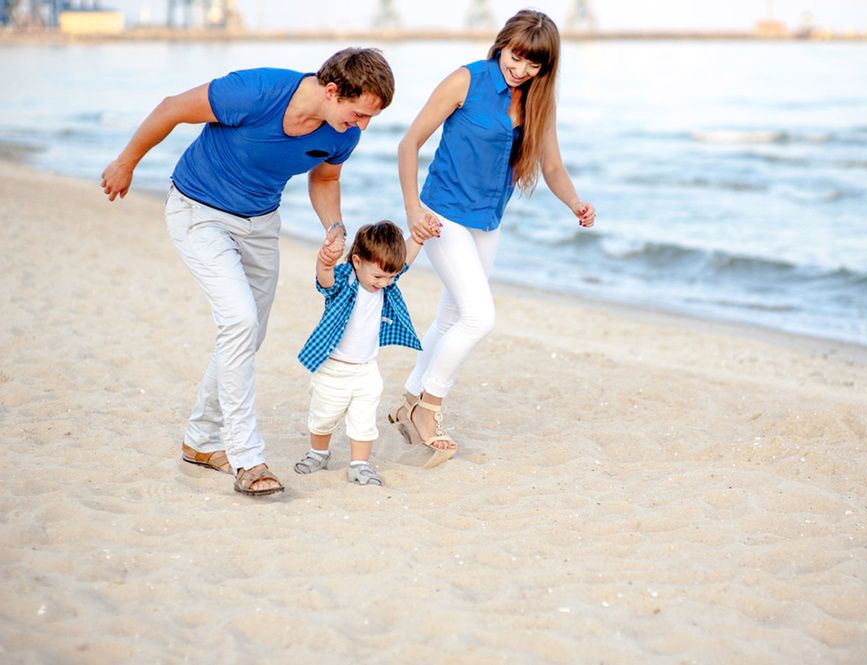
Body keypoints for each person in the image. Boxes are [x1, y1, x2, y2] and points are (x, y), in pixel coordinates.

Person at [100, 48, 395, 496]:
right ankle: (247, 459)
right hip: (199, 211)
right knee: (239, 321)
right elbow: (172, 108)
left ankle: (201, 441)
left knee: (248, 334)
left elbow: (325, 179)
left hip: (261, 223)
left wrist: (334, 226)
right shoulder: (254, 92)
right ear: (332, 91)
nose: (363, 126)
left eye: (370, 118)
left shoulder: (343, 133)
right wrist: (127, 162)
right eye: (359, 114)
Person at [391, 10, 596, 464]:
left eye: (533, 64)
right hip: (442, 213)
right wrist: (412, 211)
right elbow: (409, 144)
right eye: (515, 57)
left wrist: (575, 203)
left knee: (451, 315)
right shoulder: (465, 80)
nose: (520, 69)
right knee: (479, 317)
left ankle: (408, 400)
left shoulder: (538, 101)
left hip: (486, 221)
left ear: (545, 67)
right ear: (502, 44)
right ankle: (429, 407)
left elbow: (552, 165)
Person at [294, 221, 426, 484]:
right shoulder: (344, 281)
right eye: (379, 277)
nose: (385, 283)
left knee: (364, 422)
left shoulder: (383, 278)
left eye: (391, 277)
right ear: (357, 261)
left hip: (366, 369)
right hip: (333, 368)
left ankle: (359, 465)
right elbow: (325, 280)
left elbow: (405, 260)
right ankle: (318, 453)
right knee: (323, 417)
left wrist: (419, 238)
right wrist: (324, 262)